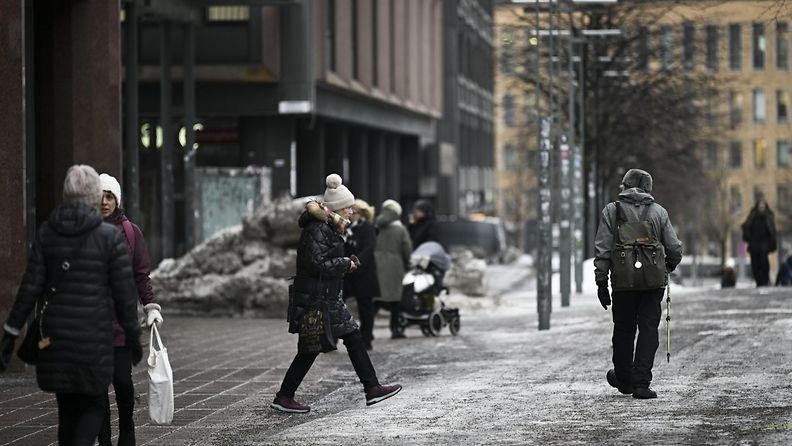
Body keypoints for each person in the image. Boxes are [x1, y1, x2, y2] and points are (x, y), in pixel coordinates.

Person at [0, 165, 142, 446]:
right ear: (92, 197)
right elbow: (125, 294)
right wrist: (133, 336)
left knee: (67, 412)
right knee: (92, 404)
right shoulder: (109, 238)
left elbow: (30, 287)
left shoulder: (47, 233)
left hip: (56, 339)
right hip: (95, 338)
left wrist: (10, 332)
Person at [271, 174, 402, 414]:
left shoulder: (328, 226)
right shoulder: (319, 228)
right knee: (319, 346)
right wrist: (345, 263)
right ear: (337, 208)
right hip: (317, 297)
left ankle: (370, 388)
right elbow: (316, 263)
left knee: (343, 339)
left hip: (325, 296)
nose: (352, 211)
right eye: (349, 207)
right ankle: (287, 395)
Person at [594, 168, 683, 400]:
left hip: (623, 283)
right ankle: (641, 384)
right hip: (652, 283)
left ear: (625, 186)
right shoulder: (658, 212)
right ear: (648, 189)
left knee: (623, 330)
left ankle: (624, 379)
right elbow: (674, 248)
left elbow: (603, 249)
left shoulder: (611, 211)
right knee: (648, 330)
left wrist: (601, 282)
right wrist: (668, 265)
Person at [97, 173, 163, 446]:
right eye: (99, 196)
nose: (104, 202)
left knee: (123, 383)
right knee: (98, 389)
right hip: (91, 323)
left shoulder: (130, 232)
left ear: (117, 199)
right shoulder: (82, 231)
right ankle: (104, 440)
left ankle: (127, 430)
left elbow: (140, 274)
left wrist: (150, 306)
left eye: (109, 196)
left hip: (121, 323)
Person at [343, 199, 381, 351]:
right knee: (338, 302)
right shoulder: (346, 227)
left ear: (362, 214)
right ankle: (334, 337)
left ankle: (367, 338)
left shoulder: (368, 228)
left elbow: (369, 248)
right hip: (347, 271)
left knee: (365, 307)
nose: (351, 215)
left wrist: (356, 263)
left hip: (364, 272)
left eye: (354, 212)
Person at [374, 199, 413, 339]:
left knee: (377, 299)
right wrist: (409, 262)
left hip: (377, 264)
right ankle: (395, 329)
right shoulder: (400, 229)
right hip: (395, 266)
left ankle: (367, 329)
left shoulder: (378, 226)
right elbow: (406, 248)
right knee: (396, 299)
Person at [741, 198, 777, 287]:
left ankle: (764, 280)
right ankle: (758, 281)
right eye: (760, 205)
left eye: (763, 205)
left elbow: (772, 231)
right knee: (755, 264)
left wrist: (772, 243)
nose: (761, 206)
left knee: (764, 262)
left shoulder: (769, 216)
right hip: (754, 244)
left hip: (764, 244)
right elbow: (746, 226)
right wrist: (748, 237)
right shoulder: (753, 216)